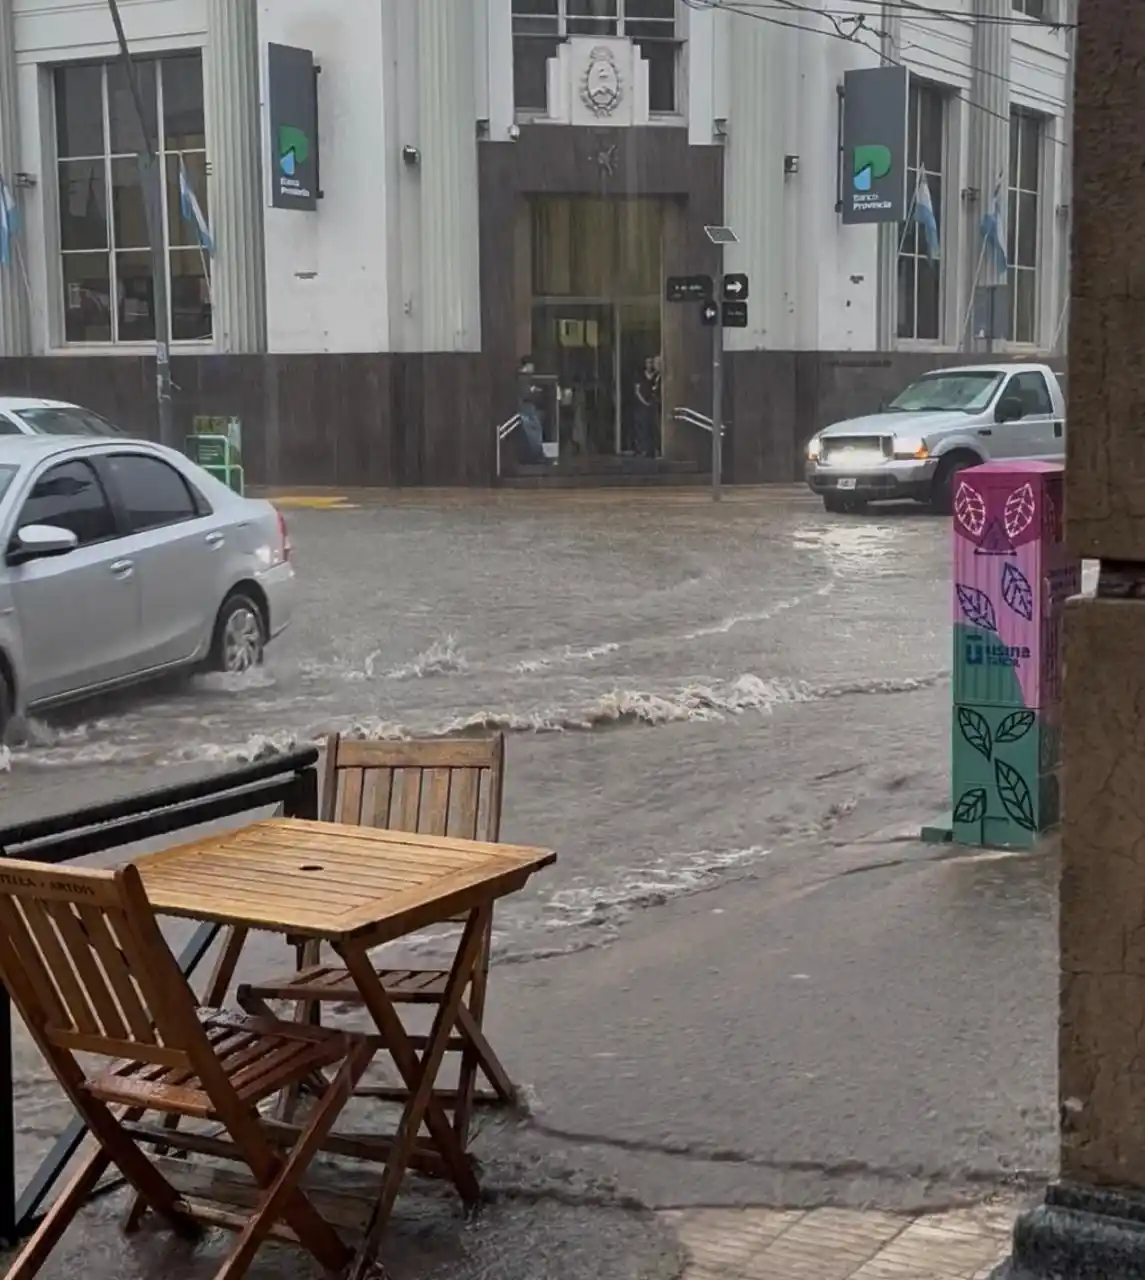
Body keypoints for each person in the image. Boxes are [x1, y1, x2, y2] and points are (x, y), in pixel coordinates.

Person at [516, 356, 546, 465]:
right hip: (526, 408)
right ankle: (537, 455)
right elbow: (526, 394)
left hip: (527, 408)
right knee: (533, 433)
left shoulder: (523, 378)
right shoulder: (523, 378)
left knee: (532, 432)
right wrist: (534, 391)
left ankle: (534, 455)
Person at [634, 356, 660, 458]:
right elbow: (637, 390)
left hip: (653, 404)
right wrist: (644, 402)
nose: (650, 365)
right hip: (642, 405)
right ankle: (643, 449)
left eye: (651, 363)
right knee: (643, 427)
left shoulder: (655, 376)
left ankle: (652, 449)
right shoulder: (640, 375)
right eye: (648, 363)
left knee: (652, 428)